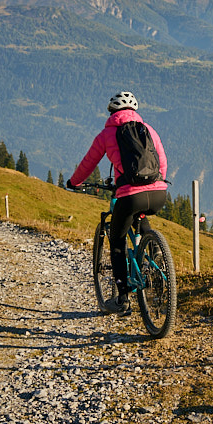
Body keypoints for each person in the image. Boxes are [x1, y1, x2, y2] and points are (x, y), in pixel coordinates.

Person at [67, 91, 169, 315]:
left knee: (117, 241)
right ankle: (155, 252)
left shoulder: (107, 134)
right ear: (134, 111)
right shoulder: (149, 129)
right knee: (142, 218)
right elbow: (162, 161)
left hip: (130, 195)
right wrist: (156, 181)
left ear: (112, 112)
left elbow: (88, 163)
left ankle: (122, 299)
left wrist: (74, 183)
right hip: (159, 193)